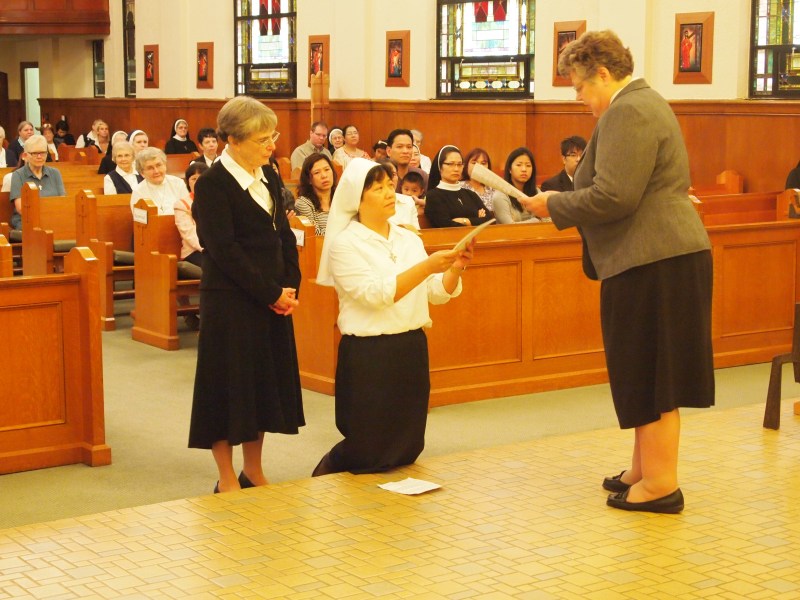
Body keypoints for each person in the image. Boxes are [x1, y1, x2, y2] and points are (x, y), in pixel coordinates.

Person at [522, 30, 714, 514]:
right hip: (654, 256)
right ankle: (643, 468)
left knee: (653, 373)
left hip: (653, 258)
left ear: (603, 74)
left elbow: (615, 196)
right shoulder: (642, 103)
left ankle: (661, 484)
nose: (580, 98)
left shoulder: (628, 110)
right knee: (641, 368)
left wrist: (554, 204)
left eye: (581, 87)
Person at [311, 158, 473, 476]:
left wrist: (456, 266)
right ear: (357, 198)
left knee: (407, 444)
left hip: (410, 347)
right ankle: (325, 478)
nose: (389, 192)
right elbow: (375, 295)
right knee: (367, 445)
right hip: (369, 353)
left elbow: (436, 293)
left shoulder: (408, 238)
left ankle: (391, 514)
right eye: (378, 187)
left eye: (390, 185)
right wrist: (427, 266)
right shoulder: (345, 244)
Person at [188, 96, 304, 493]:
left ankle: (252, 469)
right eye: (262, 139)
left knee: (261, 386)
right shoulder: (213, 185)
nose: (271, 146)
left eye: (272, 137)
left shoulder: (268, 174)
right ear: (232, 141)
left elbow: (283, 234)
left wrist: (291, 284)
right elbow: (224, 250)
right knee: (226, 388)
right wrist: (271, 292)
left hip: (271, 297)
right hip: (231, 301)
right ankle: (225, 477)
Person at [424, 145, 493, 228]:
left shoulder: (470, 194)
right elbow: (446, 225)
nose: (456, 169)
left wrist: (466, 221)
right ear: (440, 167)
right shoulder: (433, 196)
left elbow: (490, 220)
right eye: (451, 164)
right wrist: (477, 220)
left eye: (459, 164)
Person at [9, 134, 66, 230]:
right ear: (25, 156)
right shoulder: (18, 175)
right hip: (27, 221)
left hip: (53, 219)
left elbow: (62, 202)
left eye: (43, 153)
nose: (39, 156)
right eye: (35, 153)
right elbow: (21, 208)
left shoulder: (55, 173)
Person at [129, 147, 188, 215]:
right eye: (150, 168)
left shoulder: (178, 183)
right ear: (142, 173)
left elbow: (187, 212)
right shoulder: (138, 191)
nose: (156, 171)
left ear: (165, 165)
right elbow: (141, 221)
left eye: (158, 165)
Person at [493, 147, 540, 224]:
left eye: (528, 165)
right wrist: (536, 221)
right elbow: (510, 226)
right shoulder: (500, 195)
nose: (524, 169)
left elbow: (547, 219)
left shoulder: (537, 192)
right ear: (509, 169)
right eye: (519, 165)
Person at [174, 161, 208, 268]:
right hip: (194, 251)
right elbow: (189, 234)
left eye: (201, 178)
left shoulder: (218, 201)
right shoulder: (182, 205)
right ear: (188, 182)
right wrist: (209, 248)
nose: (198, 182)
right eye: (194, 179)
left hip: (217, 249)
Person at [295, 153, 337, 235]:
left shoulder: (341, 198)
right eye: (317, 172)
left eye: (327, 169)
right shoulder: (303, 203)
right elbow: (316, 235)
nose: (324, 176)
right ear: (309, 179)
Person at [460, 147, 503, 213]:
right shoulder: (459, 187)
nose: (479, 167)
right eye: (474, 163)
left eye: (483, 163)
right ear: (466, 166)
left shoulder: (494, 188)